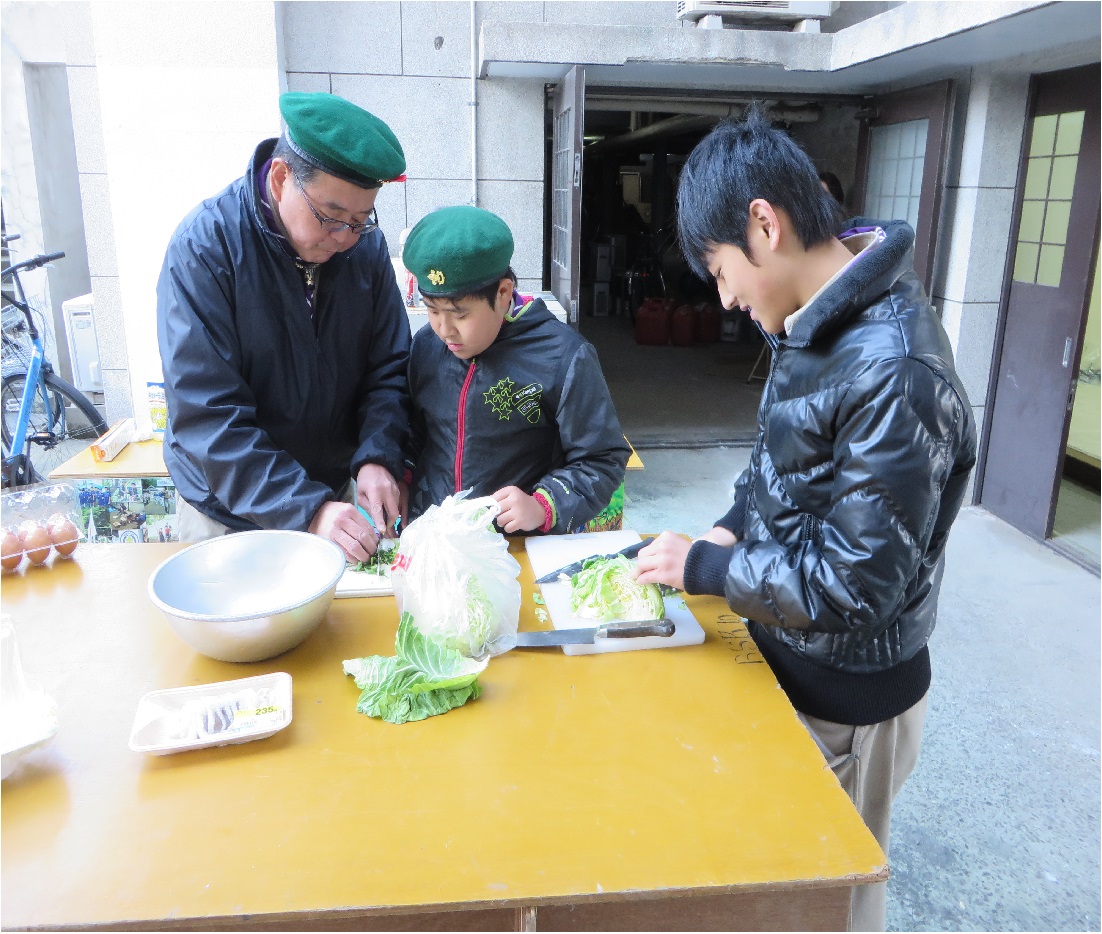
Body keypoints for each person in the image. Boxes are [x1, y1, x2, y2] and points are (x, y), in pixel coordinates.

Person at [636, 105, 977, 931]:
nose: (725, 298)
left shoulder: (894, 369)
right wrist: (728, 525)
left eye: (721, 271)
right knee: (776, 891)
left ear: (765, 224)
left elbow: (856, 586)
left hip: (850, 698)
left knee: (829, 906)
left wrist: (708, 568)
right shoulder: (817, 319)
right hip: (793, 658)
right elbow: (779, 465)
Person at [157, 92, 412, 562]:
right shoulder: (205, 249)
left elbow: (388, 369)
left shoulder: (364, 250)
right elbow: (208, 414)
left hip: (331, 496)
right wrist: (306, 508)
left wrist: (378, 456)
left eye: (360, 220)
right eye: (330, 218)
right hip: (227, 510)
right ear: (279, 179)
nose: (343, 238)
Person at [401, 205, 629, 534]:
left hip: (519, 543)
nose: (444, 330)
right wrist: (401, 476)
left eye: (460, 314)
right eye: (432, 310)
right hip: (436, 537)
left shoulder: (563, 356)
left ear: (503, 292)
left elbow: (603, 459)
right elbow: (414, 433)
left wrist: (543, 505)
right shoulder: (426, 346)